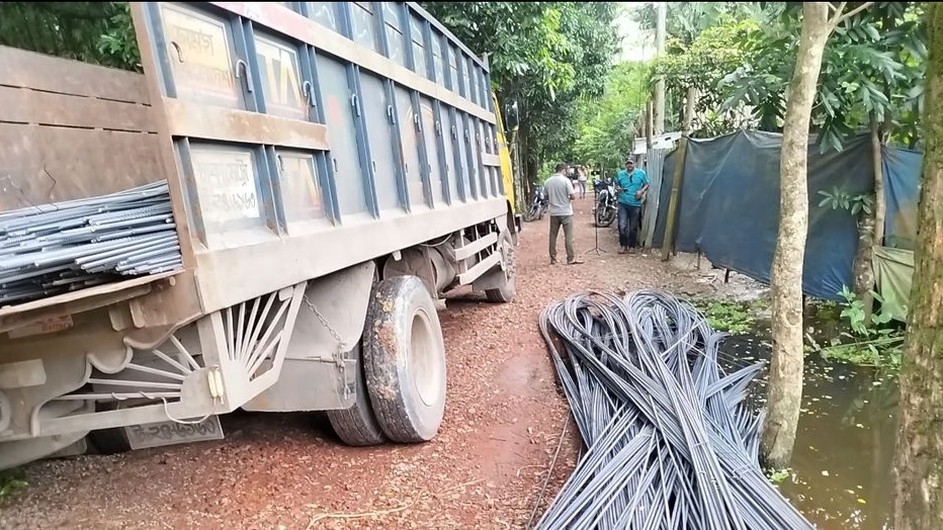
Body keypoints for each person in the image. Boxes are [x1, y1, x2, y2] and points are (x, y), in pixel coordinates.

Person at [544, 162, 584, 265]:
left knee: (553, 235)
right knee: (568, 236)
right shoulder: (566, 181)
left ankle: (553, 258)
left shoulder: (548, 182)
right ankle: (570, 258)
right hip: (566, 211)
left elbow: (546, 196)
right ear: (563, 170)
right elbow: (573, 196)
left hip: (554, 212)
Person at [614, 157, 649, 254]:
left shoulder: (641, 173)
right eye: (628, 164)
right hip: (623, 203)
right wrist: (618, 189)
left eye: (631, 163)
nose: (629, 165)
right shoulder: (621, 174)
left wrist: (641, 191)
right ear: (625, 165)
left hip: (635, 203)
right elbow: (616, 185)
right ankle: (623, 245)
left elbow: (647, 184)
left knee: (633, 227)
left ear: (634, 164)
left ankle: (632, 246)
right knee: (622, 225)